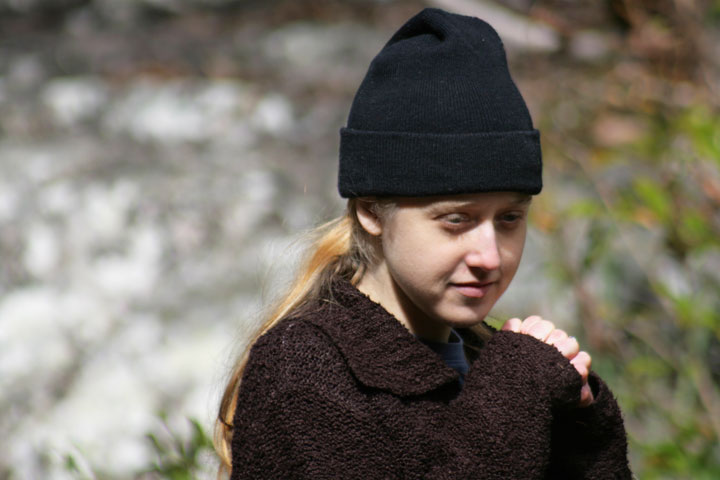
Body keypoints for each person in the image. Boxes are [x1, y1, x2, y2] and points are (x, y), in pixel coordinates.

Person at [214, 7, 631, 479]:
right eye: (456, 220)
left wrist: (580, 426)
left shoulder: (489, 362)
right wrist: (515, 393)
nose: (489, 256)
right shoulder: (304, 371)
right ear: (372, 211)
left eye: (510, 218)